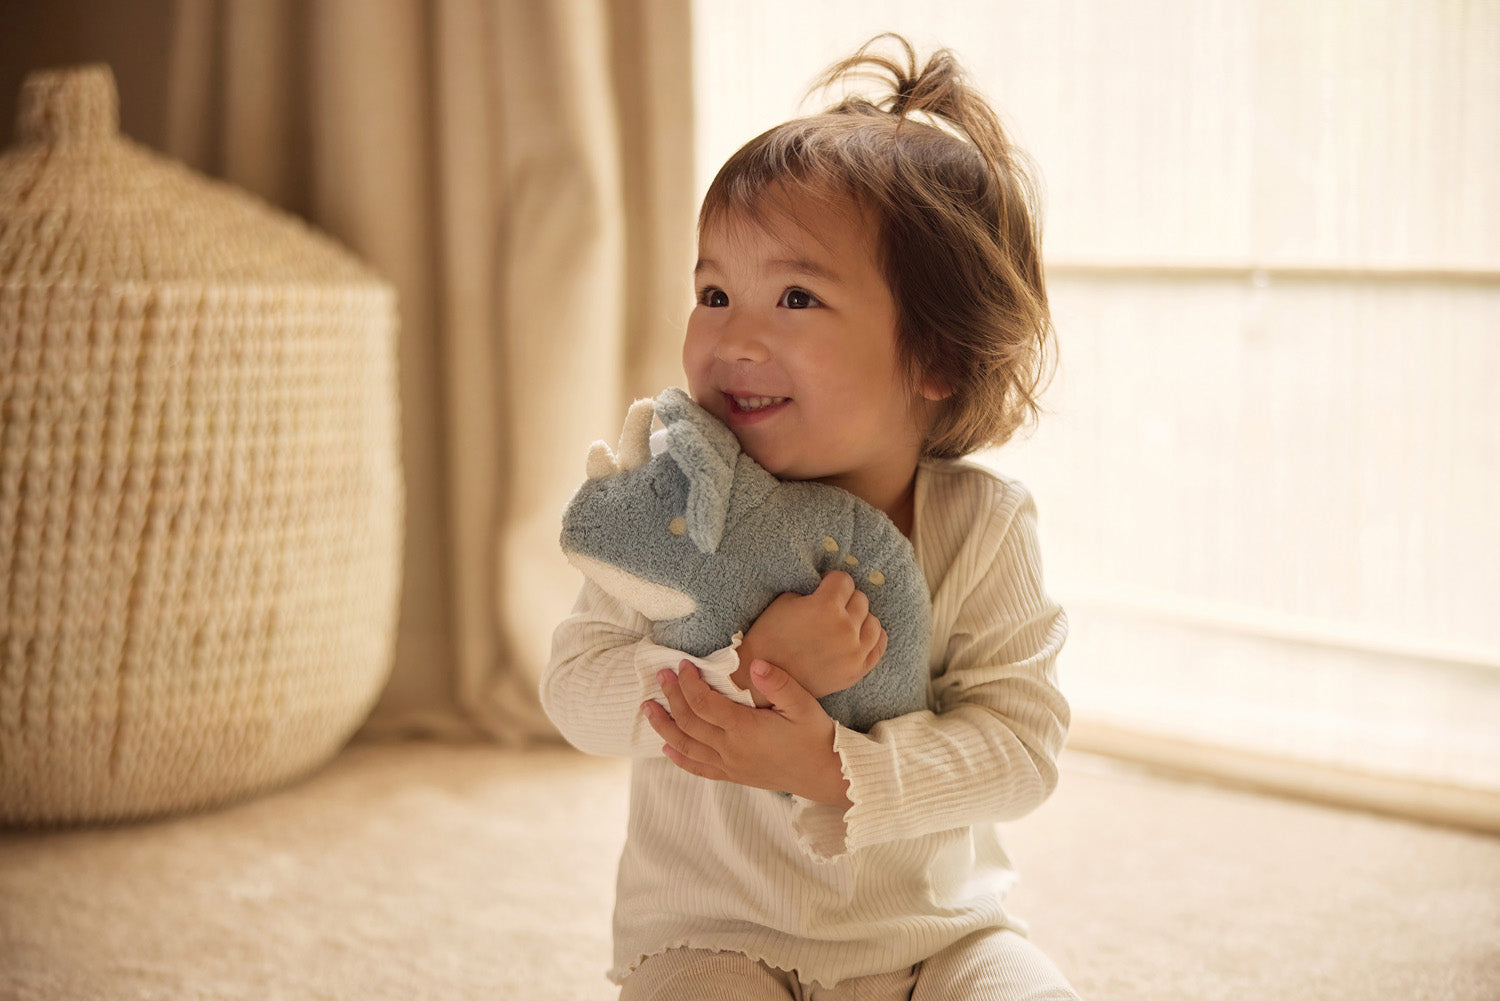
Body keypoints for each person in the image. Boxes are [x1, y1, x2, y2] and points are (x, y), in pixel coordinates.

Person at [542, 32, 1080, 1000]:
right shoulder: (672, 505)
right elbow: (576, 694)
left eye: (795, 296)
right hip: (713, 937)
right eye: (714, 292)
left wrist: (837, 767)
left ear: (937, 356)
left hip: (941, 934)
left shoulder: (982, 524)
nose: (735, 335)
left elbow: (1021, 747)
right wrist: (747, 668)